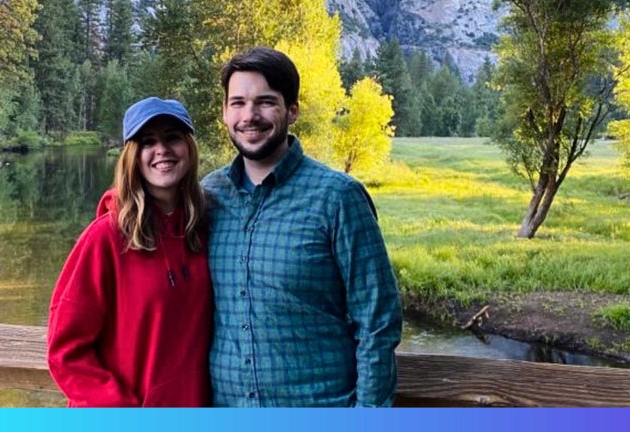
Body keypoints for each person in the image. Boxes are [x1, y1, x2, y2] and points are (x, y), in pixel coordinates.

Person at [202, 46, 402, 407]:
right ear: (224, 112)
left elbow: (377, 321)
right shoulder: (207, 197)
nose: (250, 115)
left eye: (266, 102)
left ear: (292, 110)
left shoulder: (338, 198)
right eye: (237, 102)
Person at [47, 97, 213, 407]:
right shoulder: (105, 238)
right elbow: (65, 351)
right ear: (132, 158)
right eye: (147, 141)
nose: (161, 149)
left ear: (189, 148)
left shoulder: (204, 229)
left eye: (172, 137)